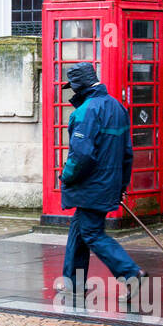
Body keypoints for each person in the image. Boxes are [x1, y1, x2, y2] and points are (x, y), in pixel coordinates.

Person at [59, 62, 143, 290]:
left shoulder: (86, 111)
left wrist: (66, 176)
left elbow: (82, 155)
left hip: (91, 186)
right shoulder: (117, 107)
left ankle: (130, 272)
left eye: (74, 87)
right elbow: (127, 153)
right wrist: (122, 185)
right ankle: (73, 283)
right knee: (80, 229)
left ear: (79, 86)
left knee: (92, 233)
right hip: (109, 183)